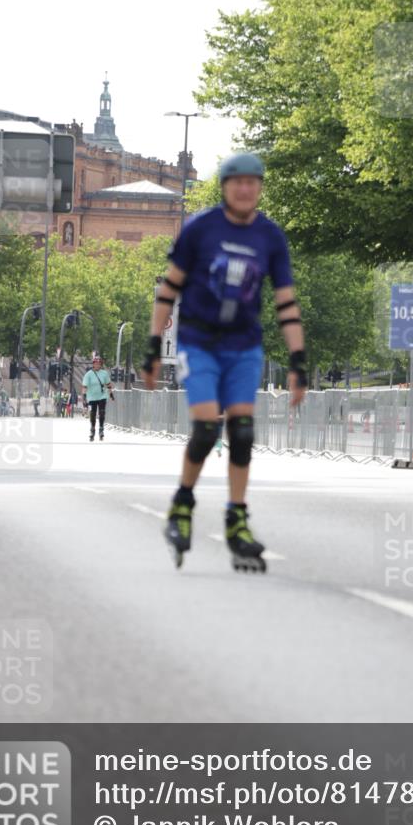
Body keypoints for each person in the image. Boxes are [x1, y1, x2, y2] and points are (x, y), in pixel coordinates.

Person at [142, 151, 307, 572]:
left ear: (260, 187)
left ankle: (237, 519)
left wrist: (298, 360)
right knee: (204, 429)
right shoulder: (201, 228)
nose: (246, 189)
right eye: (238, 182)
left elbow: (286, 303)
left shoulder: (270, 237)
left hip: (244, 346)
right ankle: (182, 504)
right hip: (198, 342)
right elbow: (168, 290)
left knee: (244, 432)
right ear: (225, 187)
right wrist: (152, 347)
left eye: (253, 182)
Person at [82, 355, 114, 441]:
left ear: (101, 365)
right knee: (92, 413)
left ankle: (101, 428)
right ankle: (92, 429)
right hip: (91, 397)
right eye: (96, 363)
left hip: (102, 396)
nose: (98, 365)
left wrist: (111, 393)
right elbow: (84, 386)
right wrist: (84, 397)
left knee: (102, 412)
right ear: (93, 364)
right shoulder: (88, 374)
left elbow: (108, 384)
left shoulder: (104, 373)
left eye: (99, 364)